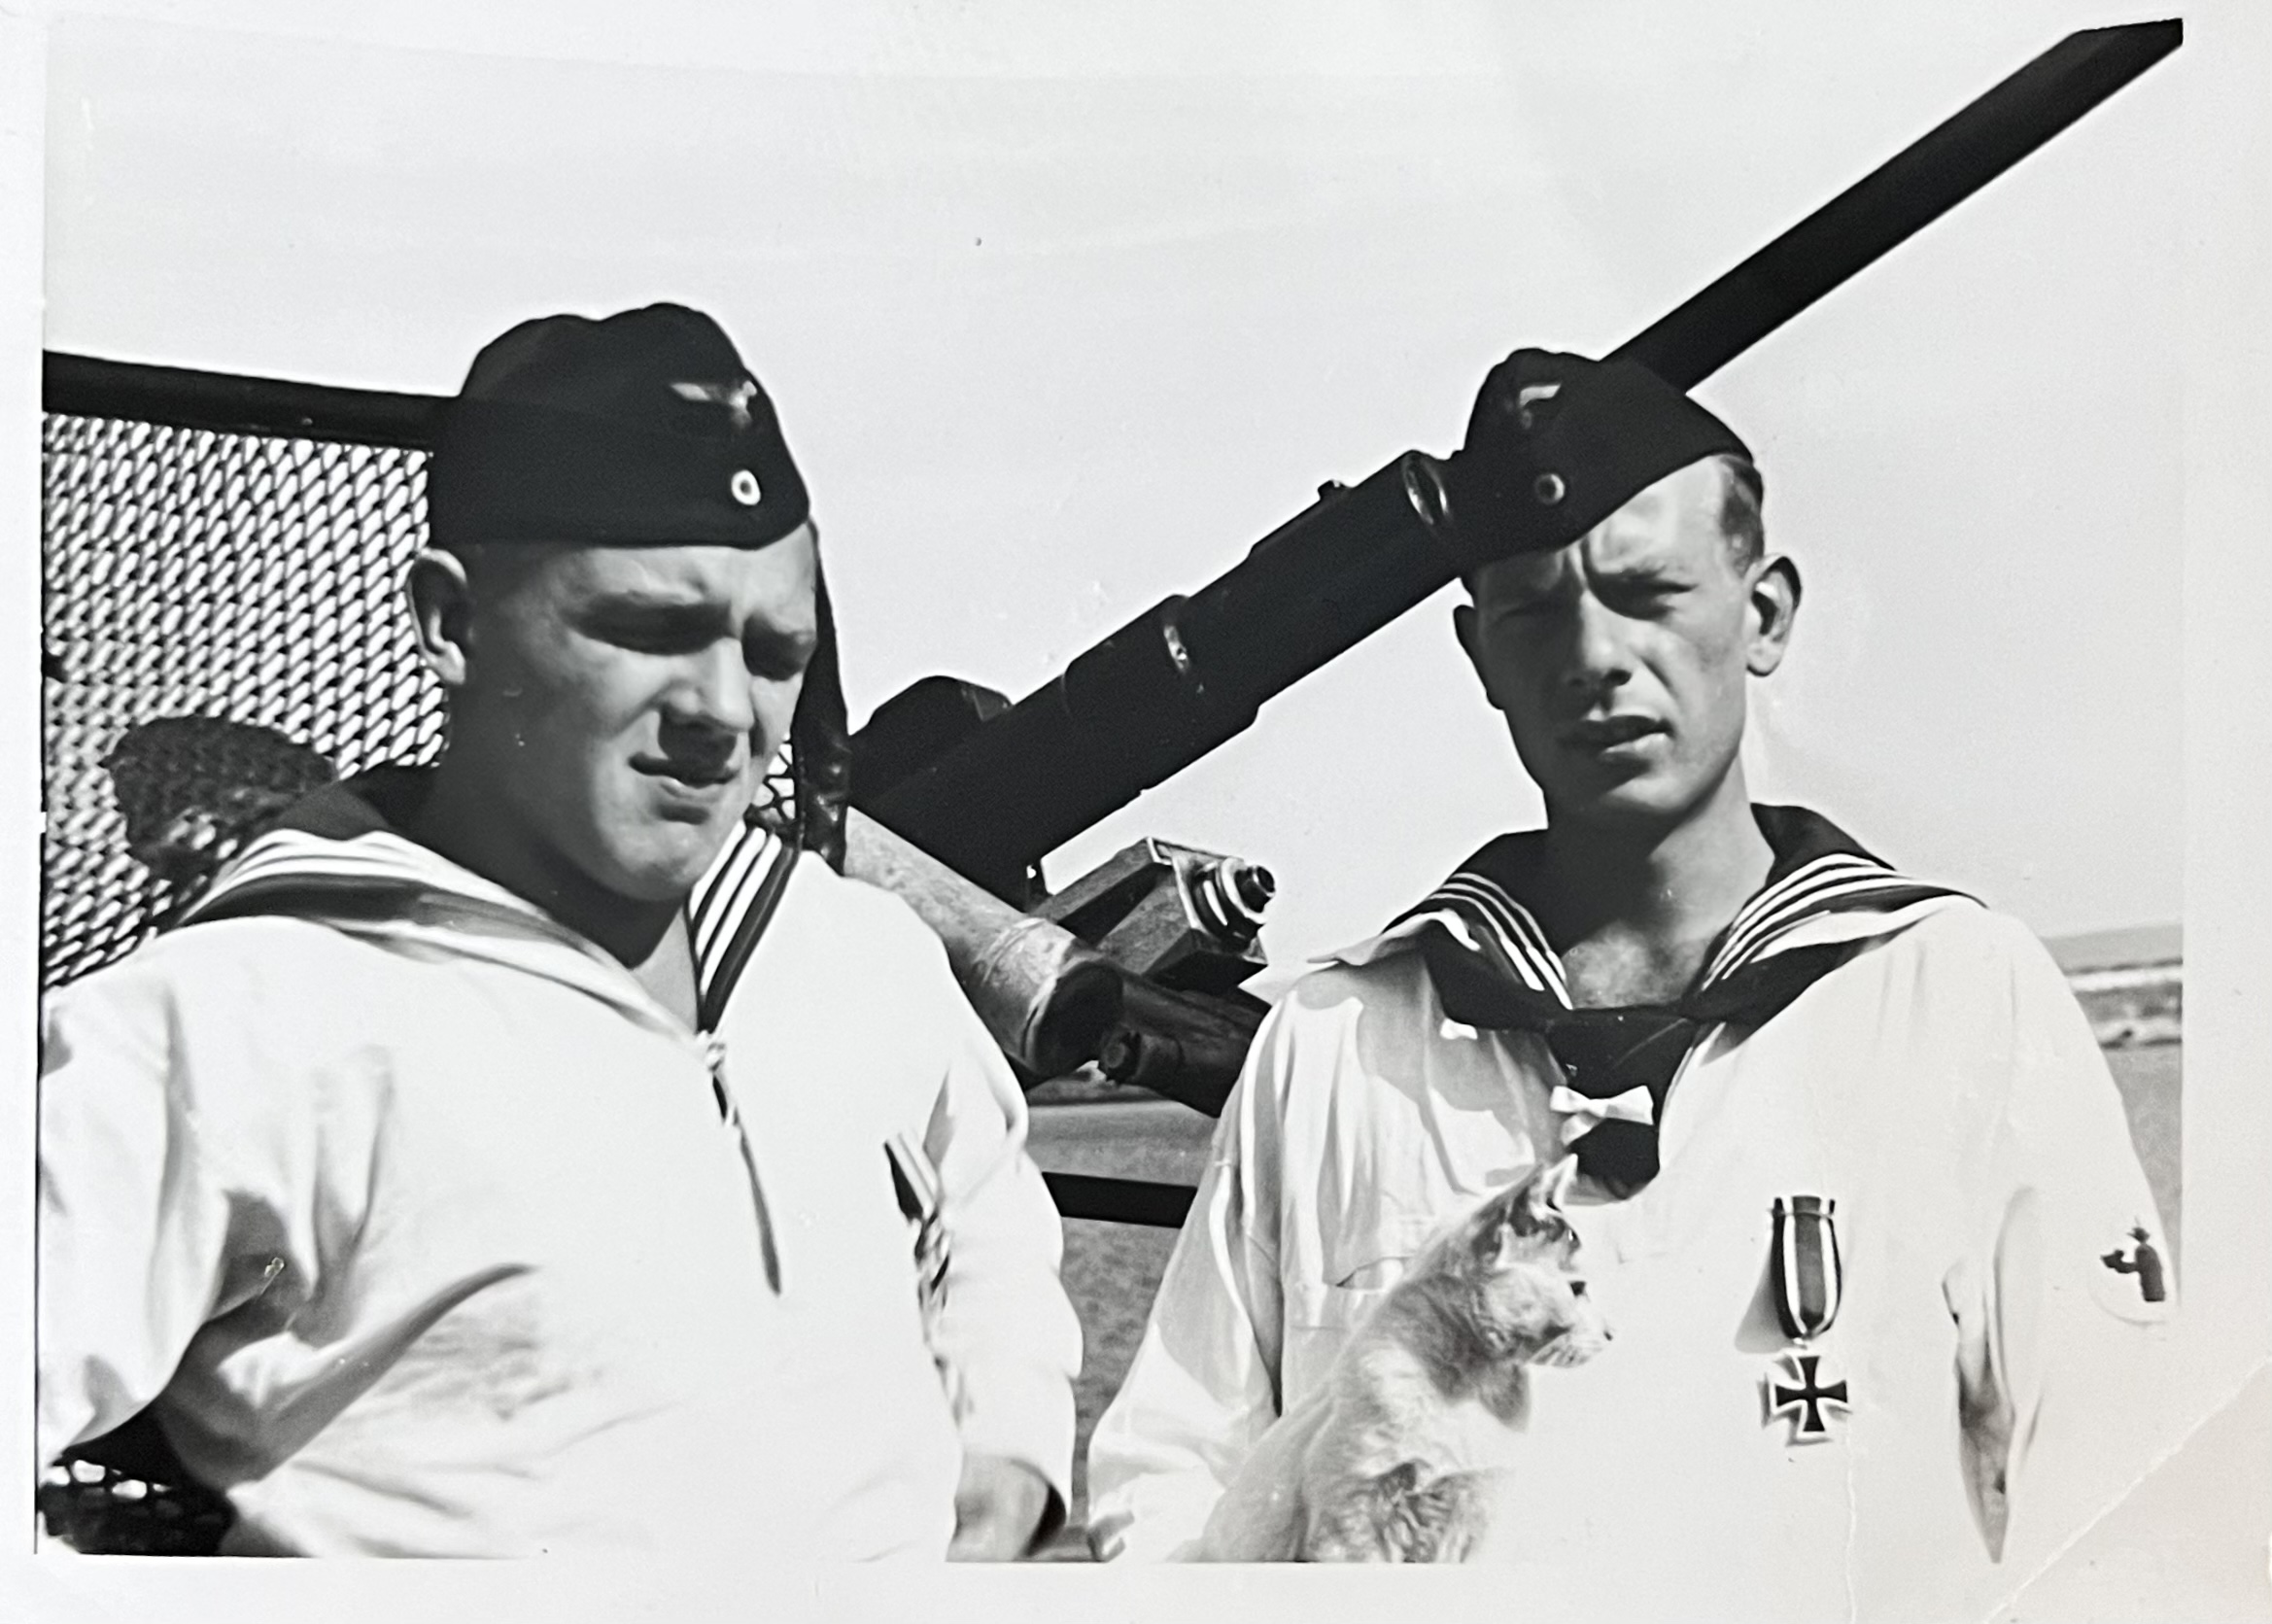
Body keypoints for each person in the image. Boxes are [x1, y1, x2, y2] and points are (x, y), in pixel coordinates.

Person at [1085, 350, 2174, 1611]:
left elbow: (2115, 1500)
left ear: (1765, 615)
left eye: (1648, 593)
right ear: (1478, 654)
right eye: (1534, 613)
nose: (1594, 655)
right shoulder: (1336, 1041)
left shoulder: (1953, 995)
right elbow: (1174, 1491)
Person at [37, 304, 1080, 1560]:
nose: (724, 713)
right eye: (648, 629)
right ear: (451, 623)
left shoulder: (859, 954)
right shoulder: (229, 1023)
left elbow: (983, 1211)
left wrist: (1005, 1455)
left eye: (773, 651)